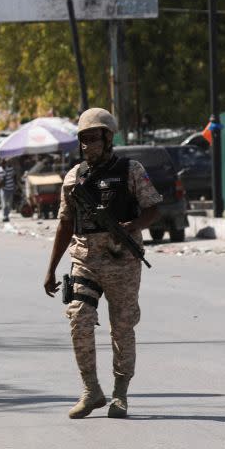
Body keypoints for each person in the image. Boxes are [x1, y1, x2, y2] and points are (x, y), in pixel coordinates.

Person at [43, 108, 162, 419]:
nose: (87, 145)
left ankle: (120, 393)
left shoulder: (130, 170)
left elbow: (153, 208)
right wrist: (51, 269)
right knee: (79, 318)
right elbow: (65, 224)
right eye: (82, 139)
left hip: (122, 260)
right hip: (85, 259)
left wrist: (132, 225)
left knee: (122, 328)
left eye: (93, 138)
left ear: (108, 138)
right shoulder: (74, 177)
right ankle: (91, 390)